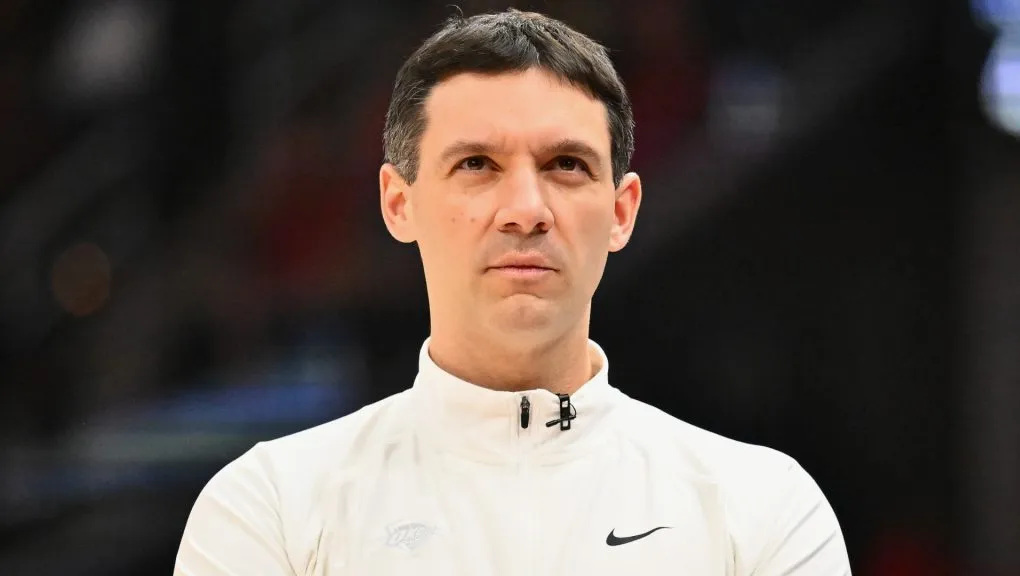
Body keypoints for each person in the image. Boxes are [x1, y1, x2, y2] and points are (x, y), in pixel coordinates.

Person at [174, 9, 850, 575]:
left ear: (621, 212)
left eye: (565, 165)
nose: (526, 208)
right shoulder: (269, 508)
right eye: (477, 165)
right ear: (397, 202)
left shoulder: (761, 510)